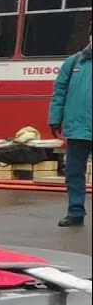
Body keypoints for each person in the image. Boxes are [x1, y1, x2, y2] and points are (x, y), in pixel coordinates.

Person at [50, 34, 91, 227]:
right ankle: (75, 212)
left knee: (75, 171)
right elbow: (59, 92)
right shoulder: (73, 63)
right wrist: (55, 119)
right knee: (74, 172)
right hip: (78, 128)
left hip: (79, 127)